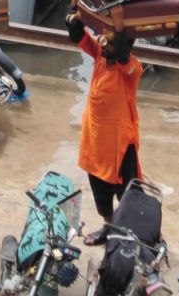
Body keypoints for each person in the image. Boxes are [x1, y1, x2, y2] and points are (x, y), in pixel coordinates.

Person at [66, 14, 142, 231]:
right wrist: (74, 14)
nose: (102, 43)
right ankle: (109, 228)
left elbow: (123, 58)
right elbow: (79, 36)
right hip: (95, 143)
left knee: (130, 196)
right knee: (101, 196)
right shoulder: (100, 56)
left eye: (108, 41)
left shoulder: (132, 69)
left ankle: (140, 234)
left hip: (119, 147)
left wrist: (119, 25)